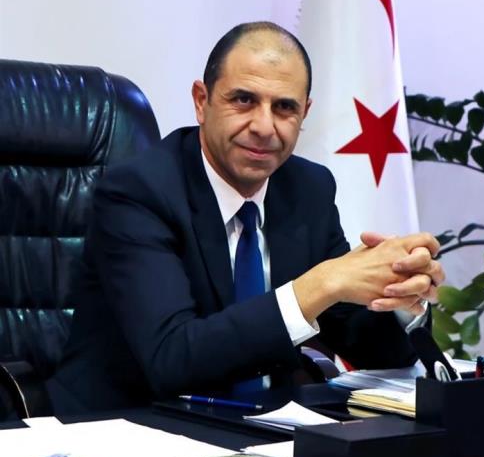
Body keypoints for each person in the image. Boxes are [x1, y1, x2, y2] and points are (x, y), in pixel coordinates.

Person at [47, 22, 444, 414]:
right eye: (243, 100)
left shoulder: (308, 189)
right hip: (131, 424)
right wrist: (320, 284)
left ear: (305, 112)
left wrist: (400, 294)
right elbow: (171, 358)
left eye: (284, 107)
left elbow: (374, 351)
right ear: (201, 101)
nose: (264, 127)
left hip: (265, 426)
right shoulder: (139, 192)